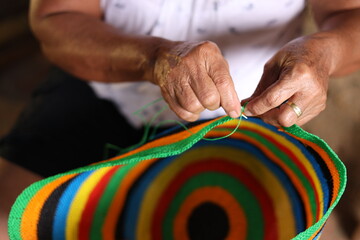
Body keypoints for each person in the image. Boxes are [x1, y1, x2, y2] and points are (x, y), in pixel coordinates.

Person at [1, 0, 360, 239]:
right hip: (101, 86)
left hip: (240, 118)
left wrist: (323, 55)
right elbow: (55, 18)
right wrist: (152, 57)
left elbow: (350, 15)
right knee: (14, 221)